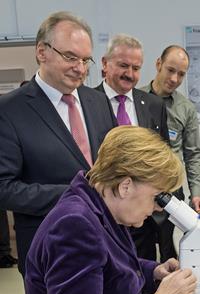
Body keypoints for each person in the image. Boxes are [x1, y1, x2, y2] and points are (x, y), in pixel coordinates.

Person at [18, 126, 197, 294]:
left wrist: (152, 270)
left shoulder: (98, 201)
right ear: (125, 186)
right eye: (157, 197)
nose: (157, 208)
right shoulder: (74, 226)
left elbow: (103, 263)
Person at [0, 12, 117, 277]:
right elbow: (4, 188)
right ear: (42, 52)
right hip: (50, 248)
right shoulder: (9, 111)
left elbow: (113, 162)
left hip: (107, 241)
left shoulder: (97, 102)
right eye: (70, 57)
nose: (81, 68)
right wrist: (77, 195)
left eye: (86, 60)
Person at [96, 34, 170, 261]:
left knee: (143, 274)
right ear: (105, 63)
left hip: (144, 219)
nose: (130, 74)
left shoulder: (153, 105)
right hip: (105, 218)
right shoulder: (88, 102)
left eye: (136, 68)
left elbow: (163, 157)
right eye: (123, 65)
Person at [141, 45, 200, 262]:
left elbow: (193, 154)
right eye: (171, 70)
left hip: (171, 192)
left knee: (171, 254)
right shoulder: (136, 100)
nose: (175, 78)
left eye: (181, 74)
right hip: (139, 190)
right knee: (140, 252)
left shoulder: (185, 108)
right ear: (158, 64)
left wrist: (196, 192)